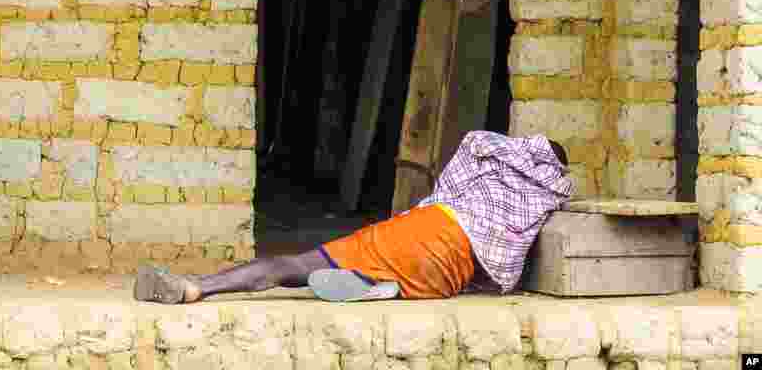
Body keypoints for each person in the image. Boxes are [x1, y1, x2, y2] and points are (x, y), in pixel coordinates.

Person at [134, 131, 572, 304]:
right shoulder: (541, 199)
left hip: (430, 228)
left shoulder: (492, 163)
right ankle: (383, 290)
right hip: (448, 271)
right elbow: (508, 262)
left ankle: (196, 288)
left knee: (299, 265)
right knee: (412, 283)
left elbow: (470, 149)